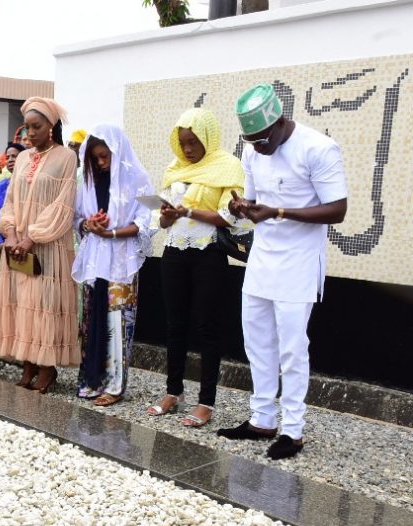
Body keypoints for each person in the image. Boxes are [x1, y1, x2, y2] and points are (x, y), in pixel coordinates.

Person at [217, 84, 349, 460]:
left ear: (279, 123)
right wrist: (243, 207)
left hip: (299, 261)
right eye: (251, 141)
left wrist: (279, 212)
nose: (257, 148)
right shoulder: (253, 150)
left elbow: (337, 209)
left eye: (262, 140)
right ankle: (262, 419)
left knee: (292, 348)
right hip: (263, 257)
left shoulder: (318, 148)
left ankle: (293, 430)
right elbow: (255, 200)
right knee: (256, 341)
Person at [147, 108, 247, 428]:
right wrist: (166, 215)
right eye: (183, 143)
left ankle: (206, 402)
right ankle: (173, 391)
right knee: (174, 325)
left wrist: (188, 211)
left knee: (207, 328)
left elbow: (228, 217)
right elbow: (162, 219)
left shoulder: (227, 166)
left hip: (208, 253)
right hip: (174, 251)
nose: (188, 149)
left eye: (193, 142)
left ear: (208, 137)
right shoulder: (174, 168)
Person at [0, 97, 80, 393]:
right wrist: (11, 233)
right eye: (27, 127)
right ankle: (28, 363)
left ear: (51, 126)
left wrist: (32, 237)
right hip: (18, 247)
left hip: (47, 246)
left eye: (36, 126)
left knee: (44, 306)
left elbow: (63, 206)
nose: (30, 133)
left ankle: (47, 367)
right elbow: (10, 200)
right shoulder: (23, 158)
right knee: (22, 305)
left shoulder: (66, 157)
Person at [72, 125, 156, 406]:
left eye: (105, 156)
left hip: (121, 260)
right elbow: (77, 219)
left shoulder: (137, 179)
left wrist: (112, 233)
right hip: (96, 261)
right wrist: (89, 223)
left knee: (118, 322)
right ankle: (91, 380)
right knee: (92, 319)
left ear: (117, 152)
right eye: (95, 158)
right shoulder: (88, 182)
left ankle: (115, 386)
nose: (100, 163)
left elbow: (146, 222)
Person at [0, 143, 24, 245]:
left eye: (14, 156)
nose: (10, 160)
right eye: (7, 157)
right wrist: (0, 241)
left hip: (25, 241)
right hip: (3, 241)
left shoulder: (30, 184)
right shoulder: (0, 186)